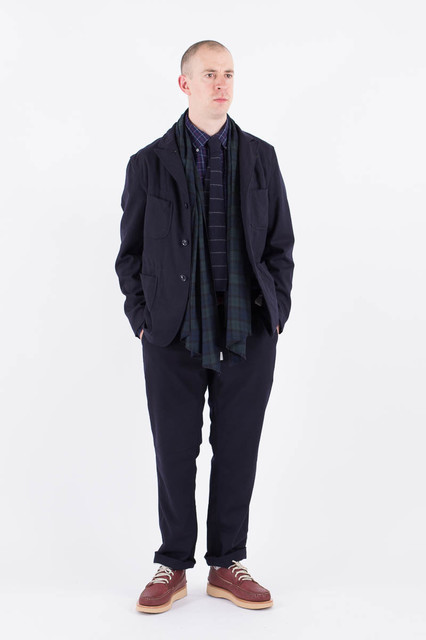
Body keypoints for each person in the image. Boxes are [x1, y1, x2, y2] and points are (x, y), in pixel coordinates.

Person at [115, 39, 295, 613]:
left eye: (229, 75)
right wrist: (142, 319)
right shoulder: (148, 163)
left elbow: (280, 245)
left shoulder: (262, 157)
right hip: (172, 331)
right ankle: (171, 564)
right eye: (210, 74)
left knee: (238, 447)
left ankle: (226, 563)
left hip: (248, 327)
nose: (222, 84)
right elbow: (130, 254)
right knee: (174, 450)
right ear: (184, 84)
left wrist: (277, 311)